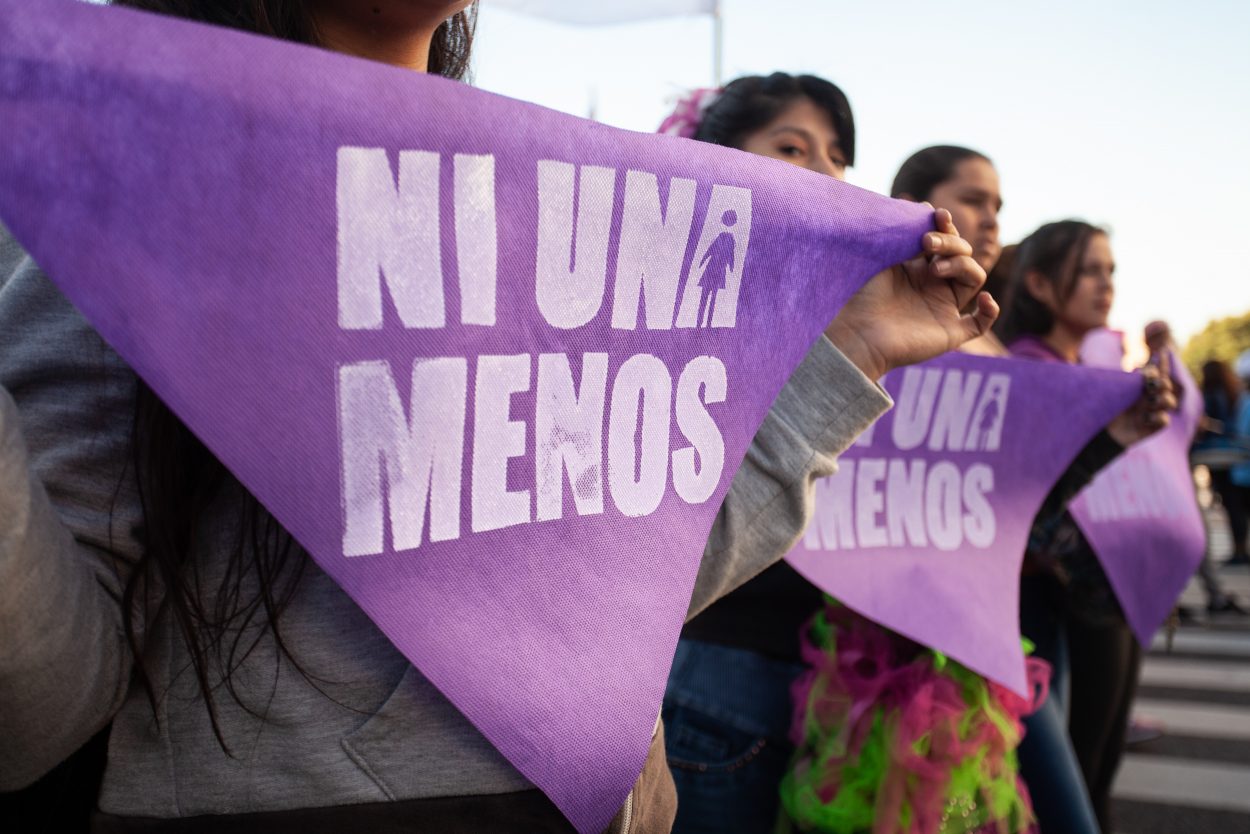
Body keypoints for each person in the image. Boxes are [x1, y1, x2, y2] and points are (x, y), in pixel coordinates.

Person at [0, 20, 994, 832]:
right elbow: (42, 707)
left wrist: (853, 355)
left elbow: (619, 596)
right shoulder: (136, 183)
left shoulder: (553, 211)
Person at [997, 220, 1176, 833]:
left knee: (1093, 773)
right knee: (1073, 787)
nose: (1106, 285)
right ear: (1040, 284)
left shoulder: (1084, 370)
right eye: (1090, 270)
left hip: (1099, 594)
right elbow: (1025, 505)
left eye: (1111, 271)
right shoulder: (1029, 369)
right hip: (1050, 602)